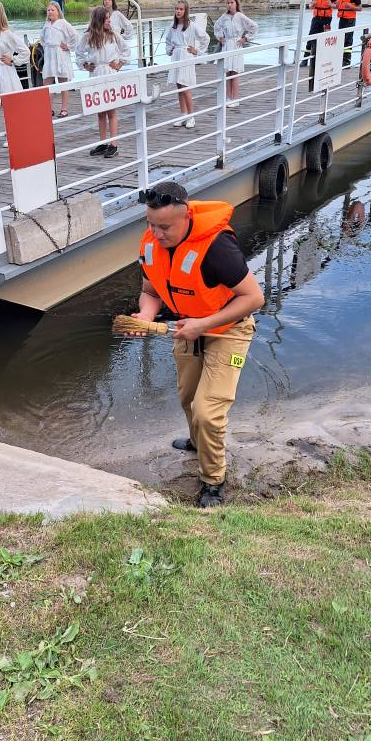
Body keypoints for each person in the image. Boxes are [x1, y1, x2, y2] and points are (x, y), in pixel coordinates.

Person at [132, 181, 264, 508]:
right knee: (188, 396)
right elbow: (151, 291)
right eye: (150, 224)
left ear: (186, 216)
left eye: (164, 227)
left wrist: (203, 325)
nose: (156, 234)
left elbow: (254, 298)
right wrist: (146, 316)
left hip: (228, 329)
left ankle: (213, 482)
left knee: (208, 411)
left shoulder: (217, 247)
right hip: (188, 327)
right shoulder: (151, 244)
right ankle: (196, 443)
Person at [75, 6, 130, 159]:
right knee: (100, 111)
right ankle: (103, 142)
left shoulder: (113, 35)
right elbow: (78, 53)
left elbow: (126, 49)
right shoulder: (88, 36)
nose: (109, 21)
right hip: (96, 73)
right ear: (99, 20)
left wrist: (119, 64)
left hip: (109, 72)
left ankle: (113, 144)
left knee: (111, 111)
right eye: (106, 19)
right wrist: (85, 65)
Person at [165, 0, 210, 129]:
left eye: (181, 9)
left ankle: (191, 116)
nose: (178, 11)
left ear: (185, 11)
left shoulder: (191, 25)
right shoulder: (172, 26)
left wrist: (197, 51)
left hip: (186, 56)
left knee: (186, 87)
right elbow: (168, 41)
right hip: (176, 57)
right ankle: (183, 115)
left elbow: (205, 38)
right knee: (179, 87)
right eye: (176, 9)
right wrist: (170, 50)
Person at [213, 0, 259, 107]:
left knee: (234, 72)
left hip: (236, 44)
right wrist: (220, 37)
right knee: (227, 72)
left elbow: (254, 27)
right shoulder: (224, 17)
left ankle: (235, 98)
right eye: (228, 3)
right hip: (227, 45)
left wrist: (245, 38)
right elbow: (216, 27)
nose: (229, 5)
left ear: (236, 4)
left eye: (231, 2)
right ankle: (228, 98)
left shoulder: (240, 16)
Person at [0, 0, 30, 95]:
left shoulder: (7, 34)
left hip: (6, 71)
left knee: (11, 100)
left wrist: (12, 60)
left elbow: (26, 51)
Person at [40, 1, 78, 118]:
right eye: (49, 10)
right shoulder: (46, 25)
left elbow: (75, 35)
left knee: (63, 82)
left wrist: (69, 46)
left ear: (58, 12)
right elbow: (42, 39)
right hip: (49, 55)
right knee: (47, 82)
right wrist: (46, 47)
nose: (50, 12)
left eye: (53, 10)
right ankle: (48, 108)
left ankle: (64, 108)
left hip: (60, 54)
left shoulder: (62, 23)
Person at [301, 0, 338, 66]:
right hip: (316, 18)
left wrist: (331, 5)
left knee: (324, 39)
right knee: (310, 37)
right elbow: (310, 6)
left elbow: (338, 5)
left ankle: (323, 60)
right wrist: (311, 4)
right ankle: (305, 59)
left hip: (326, 19)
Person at [337, 0, 363, 68]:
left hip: (350, 20)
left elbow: (360, 8)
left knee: (348, 40)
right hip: (342, 19)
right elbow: (338, 6)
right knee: (341, 40)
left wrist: (351, 6)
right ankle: (340, 60)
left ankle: (347, 62)